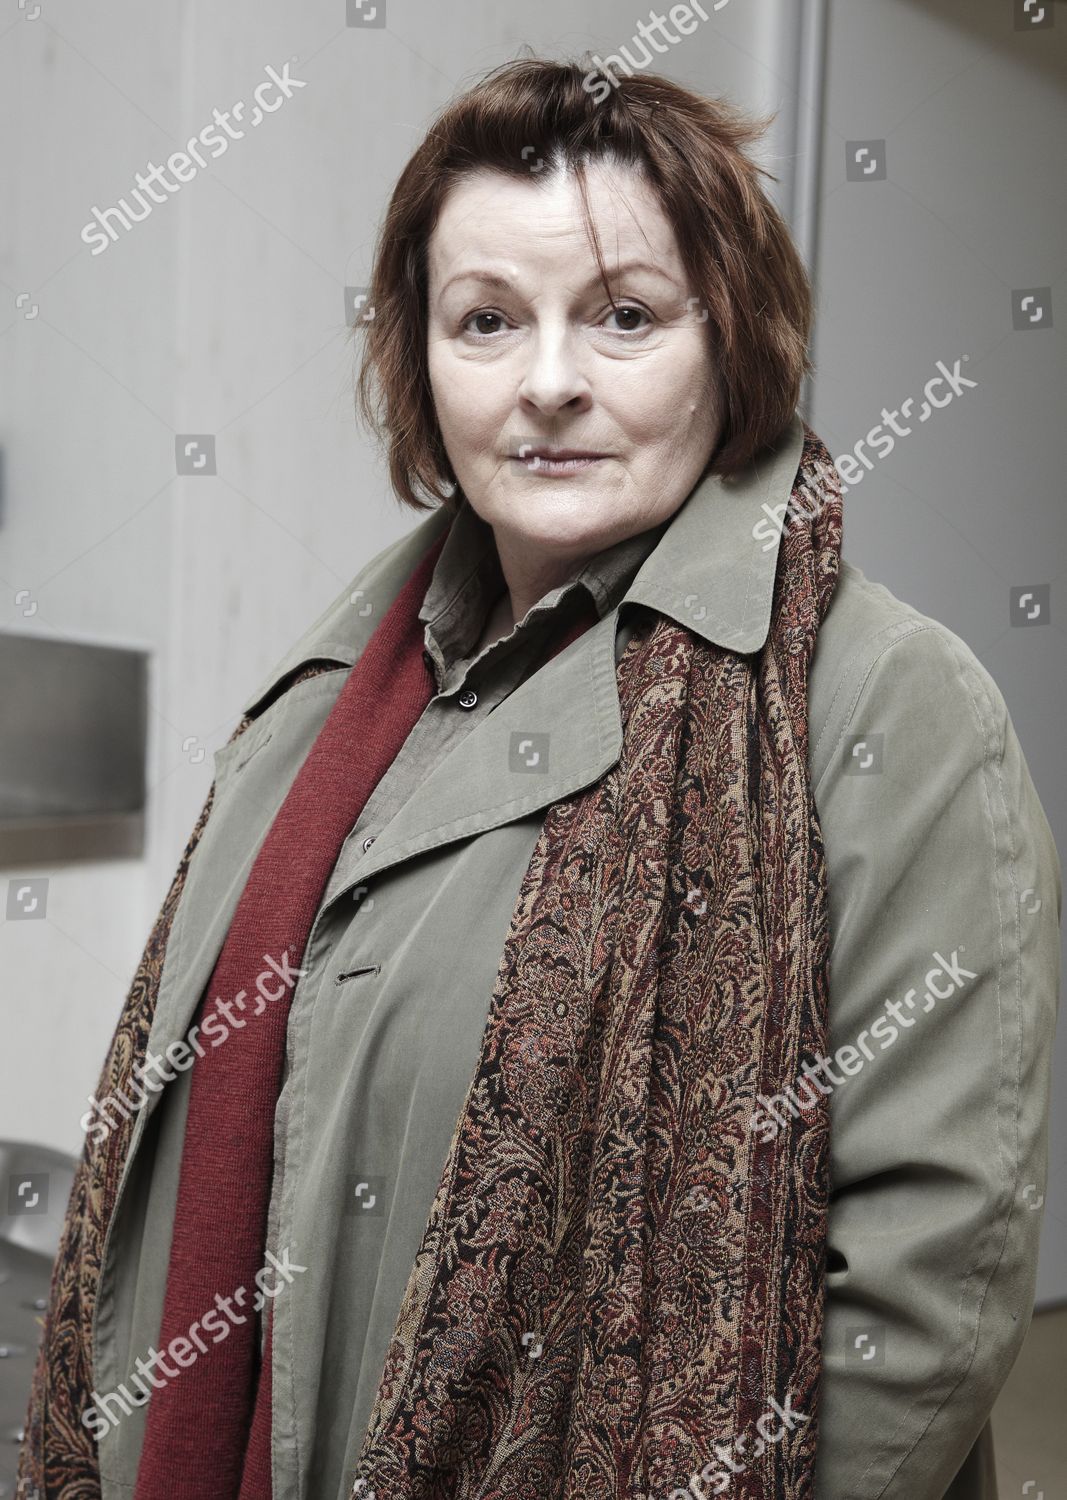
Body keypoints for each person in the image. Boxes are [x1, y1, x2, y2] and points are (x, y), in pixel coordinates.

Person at [19, 56, 1060, 1500]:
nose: (550, 379)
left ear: (731, 339)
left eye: (625, 316)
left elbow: (928, 1291)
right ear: (420, 360)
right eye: (487, 320)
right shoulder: (326, 702)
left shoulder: (885, 702)